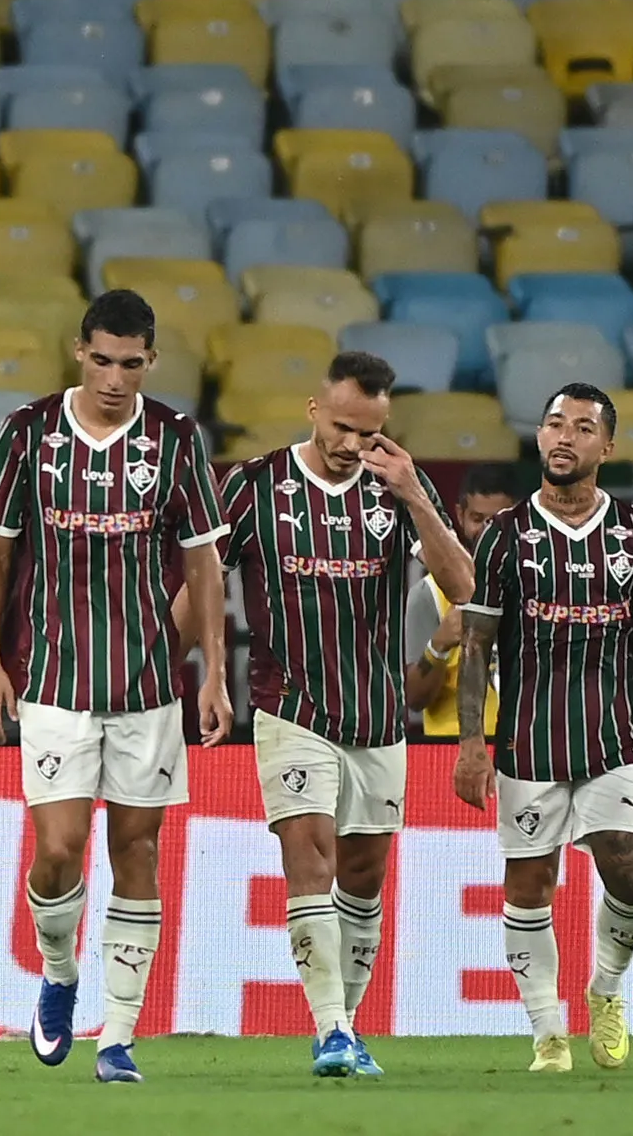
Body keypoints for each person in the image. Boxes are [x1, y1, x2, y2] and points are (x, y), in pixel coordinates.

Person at [0, 289, 230, 1085]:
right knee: (57, 852)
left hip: (150, 686)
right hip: (51, 680)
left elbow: (203, 561)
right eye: (102, 359)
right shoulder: (28, 431)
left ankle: (116, 1032)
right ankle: (58, 970)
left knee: (138, 851)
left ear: (149, 360)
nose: (114, 377)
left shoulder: (176, 437)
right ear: (78, 350)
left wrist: (214, 670)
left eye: (130, 362)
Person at [213, 351, 474, 1077]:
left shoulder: (396, 488)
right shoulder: (253, 486)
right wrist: (188, 668)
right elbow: (204, 579)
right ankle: (329, 1025)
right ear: (312, 409)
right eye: (339, 425)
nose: (350, 443)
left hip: (376, 710)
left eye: (366, 431)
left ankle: (346, 1027)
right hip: (289, 703)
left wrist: (417, 496)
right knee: (310, 852)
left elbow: (465, 586)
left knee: (363, 871)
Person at [451, 383, 633, 1074]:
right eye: (554, 424)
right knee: (528, 885)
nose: (564, 436)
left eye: (583, 427)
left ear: (607, 446)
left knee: (630, 867)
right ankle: (546, 1032)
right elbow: (475, 643)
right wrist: (472, 742)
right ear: (539, 437)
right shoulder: (504, 533)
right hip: (528, 743)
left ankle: (604, 988)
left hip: (613, 736)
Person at [401, 463, 524, 737]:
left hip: (529, 754)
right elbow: (414, 700)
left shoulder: (544, 588)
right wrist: (440, 644)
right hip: (447, 753)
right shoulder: (430, 594)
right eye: (478, 519)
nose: (487, 531)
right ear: (460, 514)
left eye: (498, 521)